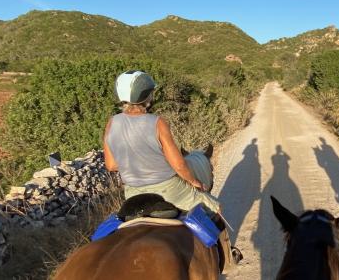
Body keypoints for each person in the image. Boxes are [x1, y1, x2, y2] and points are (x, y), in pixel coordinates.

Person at [102, 70, 241, 267]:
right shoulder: (157, 123)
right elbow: (179, 164)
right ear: (147, 96)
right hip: (170, 191)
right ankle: (227, 257)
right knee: (215, 208)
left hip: (132, 194)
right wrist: (195, 182)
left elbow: (111, 165)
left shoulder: (111, 123)